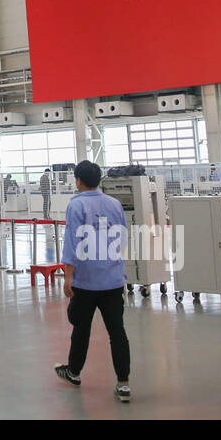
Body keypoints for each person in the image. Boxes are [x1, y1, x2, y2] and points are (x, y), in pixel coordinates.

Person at [54, 160, 132, 403]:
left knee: (81, 327)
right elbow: (122, 238)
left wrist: (68, 276)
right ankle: (123, 384)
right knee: (117, 332)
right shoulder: (115, 204)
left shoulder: (76, 206)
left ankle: (74, 372)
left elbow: (72, 243)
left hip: (86, 281)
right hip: (112, 279)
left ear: (78, 180)